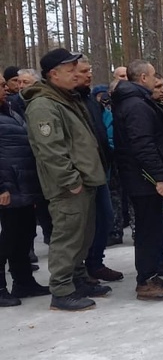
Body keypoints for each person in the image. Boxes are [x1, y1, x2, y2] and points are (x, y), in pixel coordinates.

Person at [23, 48, 108, 311]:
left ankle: (77, 279)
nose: (75, 75)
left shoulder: (66, 99)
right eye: (70, 71)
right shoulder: (43, 105)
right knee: (68, 236)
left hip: (85, 180)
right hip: (68, 186)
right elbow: (51, 149)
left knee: (83, 236)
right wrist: (70, 179)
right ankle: (61, 290)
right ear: (53, 74)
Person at [112, 59, 163, 301]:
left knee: (152, 227)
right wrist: (159, 176)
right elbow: (143, 143)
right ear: (142, 79)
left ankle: (150, 273)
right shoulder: (136, 105)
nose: (155, 80)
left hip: (144, 176)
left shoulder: (139, 102)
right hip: (144, 178)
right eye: (152, 76)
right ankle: (145, 281)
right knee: (148, 230)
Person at [73, 59, 122, 284]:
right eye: (83, 72)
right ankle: (78, 271)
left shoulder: (90, 100)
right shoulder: (68, 101)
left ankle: (95, 263)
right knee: (83, 225)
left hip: (101, 168)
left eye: (90, 70)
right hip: (80, 175)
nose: (89, 75)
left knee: (105, 217)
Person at [0, 71, 47, 305]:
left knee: (25, 234)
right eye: (2, 85)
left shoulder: (10, 109)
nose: (7, 88)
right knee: (7, 238)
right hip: (7, 188)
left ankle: (23, 281)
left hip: (24, 183)